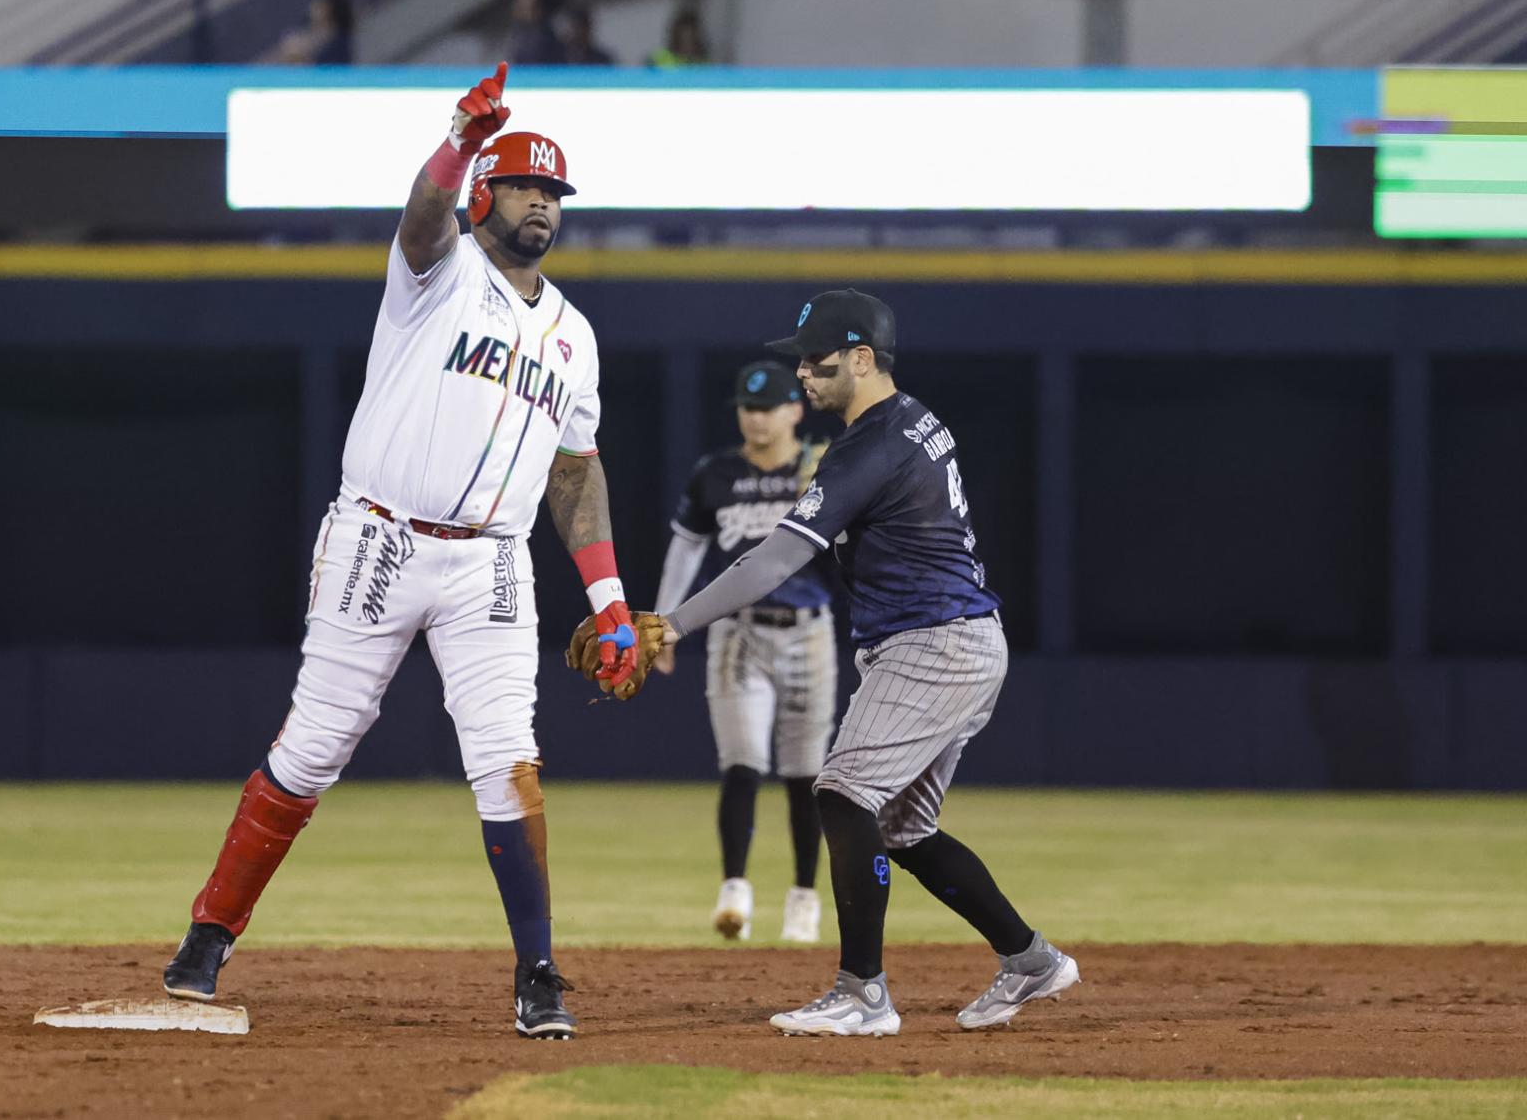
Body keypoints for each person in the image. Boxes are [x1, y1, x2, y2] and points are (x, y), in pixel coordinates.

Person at [162, 62, 638, 1041]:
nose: (540, 204)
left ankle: (538, 971)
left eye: (552, 191)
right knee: (314, 744)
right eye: (522, 184)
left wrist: (611, 599)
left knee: (508, 758)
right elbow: (422, 217)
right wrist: (460, 136)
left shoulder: (576, 338)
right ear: (483, 193)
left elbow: (574, 475)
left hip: (492, 562)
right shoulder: (439, 268)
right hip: (380, 533)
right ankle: (210, 931)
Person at [655, 289, 1079, 1037]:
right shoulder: (914, 417)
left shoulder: (871, 442)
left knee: (843, 793)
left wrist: (673, 622)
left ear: (861, 358)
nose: (804, 377)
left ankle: (862, 993)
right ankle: (1030, 958)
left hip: (935, 641)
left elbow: (776, 559)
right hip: (958, 636)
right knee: (903, 827)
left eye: (816, 363)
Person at [653, 362, 834, 945]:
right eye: (747, 407)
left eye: (768, 406)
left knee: (807, 772)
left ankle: (805, 897)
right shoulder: (717, 474)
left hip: (809, 627)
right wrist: (662, 624)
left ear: (795, 411)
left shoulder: (821, 466)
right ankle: (735, 889)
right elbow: (685, 551)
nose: (756, 417)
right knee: (742, 762)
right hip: (739, 631)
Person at [276, 0, 355, 65]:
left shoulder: (338, 43)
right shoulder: (305, 35)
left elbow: (327, 68)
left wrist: (301, 58)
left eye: (320, 6)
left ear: (329, 10)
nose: (313, 7)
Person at [501, 0, 566, 65]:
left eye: (529, 6)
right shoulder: (513, 33)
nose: (523, 10)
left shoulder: (548, 36)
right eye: (520, 5)